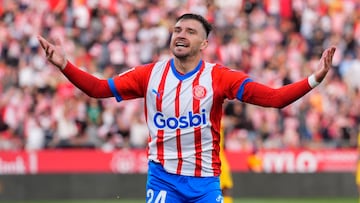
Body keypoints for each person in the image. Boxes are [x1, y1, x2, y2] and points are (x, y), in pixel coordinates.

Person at [37, 13, 335, 203]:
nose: (180, 34)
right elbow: (98, 89)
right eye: (177, 29)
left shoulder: (219, 77)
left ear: (204, 44)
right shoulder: (149, 74)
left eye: (190, 31)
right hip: (163, 177)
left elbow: (274, 98)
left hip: (205, 184)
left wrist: (314, 78)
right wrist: (64, 65)